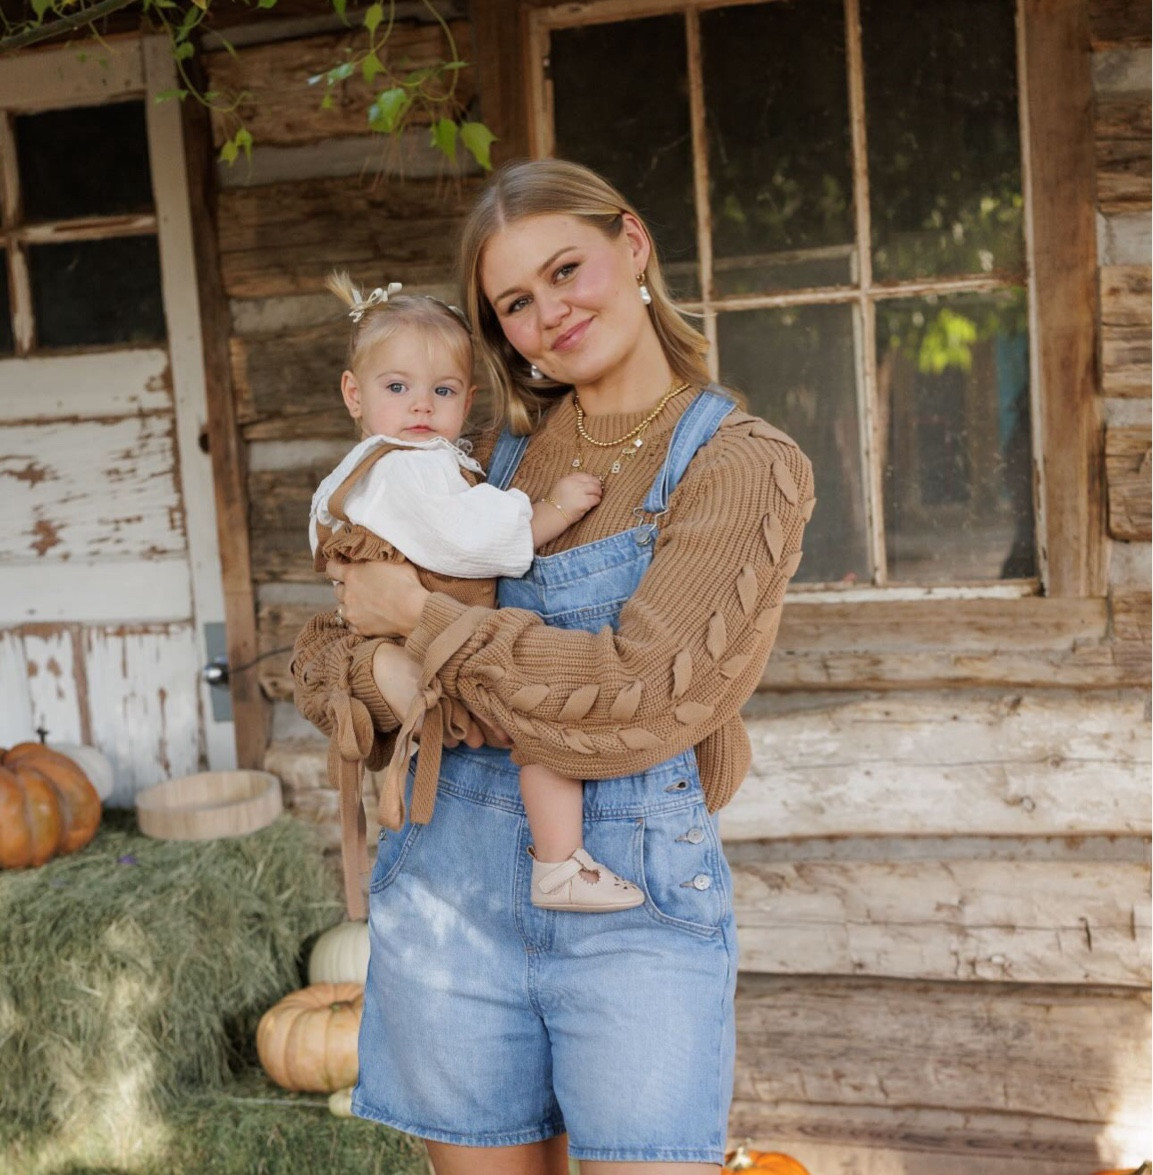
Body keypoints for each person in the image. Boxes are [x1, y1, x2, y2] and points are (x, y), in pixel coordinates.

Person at [292, 158, 815, 1175]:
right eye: (516, 303)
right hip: (452, 897)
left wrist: (428, 628)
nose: (551, 314)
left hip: (629, 908)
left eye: (566, 269)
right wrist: (391, 675)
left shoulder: (738, 464)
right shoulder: (489, 458)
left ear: (631, 245)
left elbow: (640, 690)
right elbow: (332, 639)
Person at [309, 273, 644, 915]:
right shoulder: (407, 467)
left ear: (467, 398)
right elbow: (471, 540)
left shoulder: (370, 470)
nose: (420, 407)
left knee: (527, 719)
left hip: (421, 643)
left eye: (443, 391)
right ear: (354, 393)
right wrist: (547, 511)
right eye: (397, 387)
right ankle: (559, 862)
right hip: (444, 637)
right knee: (544, 719)